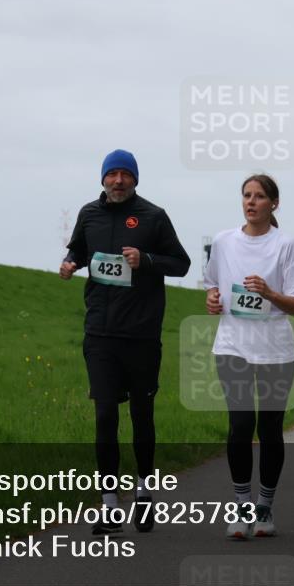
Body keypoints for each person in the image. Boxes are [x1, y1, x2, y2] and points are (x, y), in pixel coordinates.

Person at [62, 149, 191, 534]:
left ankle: (145, 494)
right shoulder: (89, 214)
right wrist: (71, 263)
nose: (118, 181)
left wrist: (147, 259)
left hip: (142, 333)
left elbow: (181, 264)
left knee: (141, 417)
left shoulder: (154, 216)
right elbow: (79, 250)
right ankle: (109, 505)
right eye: (112, 174)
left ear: (135, 179)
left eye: (125, 175)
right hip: (100, 332)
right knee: (105, 416)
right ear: (103, 179)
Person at [204, 174, 294, 540]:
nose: (251, 202)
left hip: (274, 350)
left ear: (273, 204)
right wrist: (213, 300)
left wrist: (269, 292)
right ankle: (240, 506)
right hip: (232, 345)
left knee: (269, 430)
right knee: (239, 426)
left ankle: (265, 506)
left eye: (259, 196)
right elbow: (213, 286)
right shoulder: (222, 241)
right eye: (246, 195)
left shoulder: (286, 246)